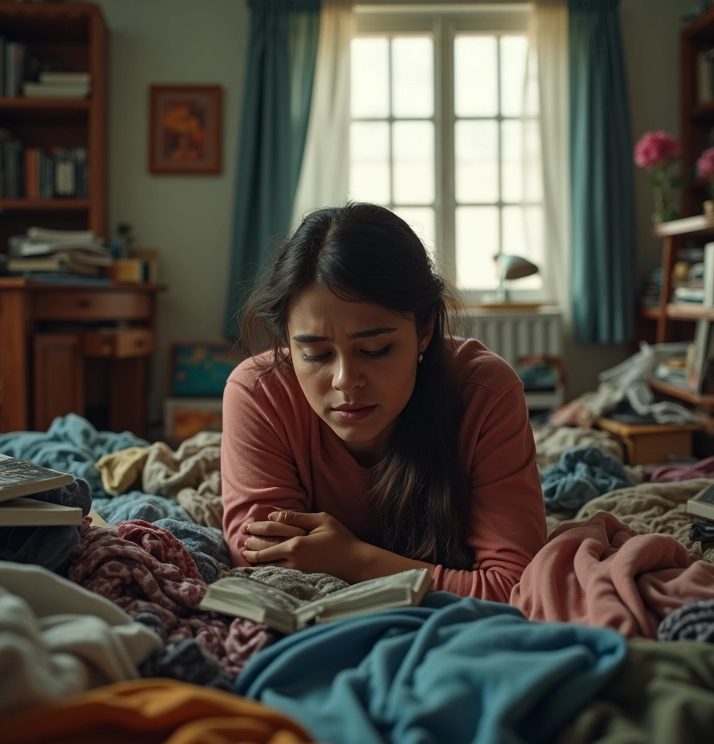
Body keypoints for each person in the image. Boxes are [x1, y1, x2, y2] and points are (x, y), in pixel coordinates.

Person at [221, 202, 546, 602]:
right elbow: (265, 567)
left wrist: (355, 560)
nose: (345, 381)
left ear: (424, 330)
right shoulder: (260, 393)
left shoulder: (486, 391)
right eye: (316, 355)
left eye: (375, 349)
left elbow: (514, 587)